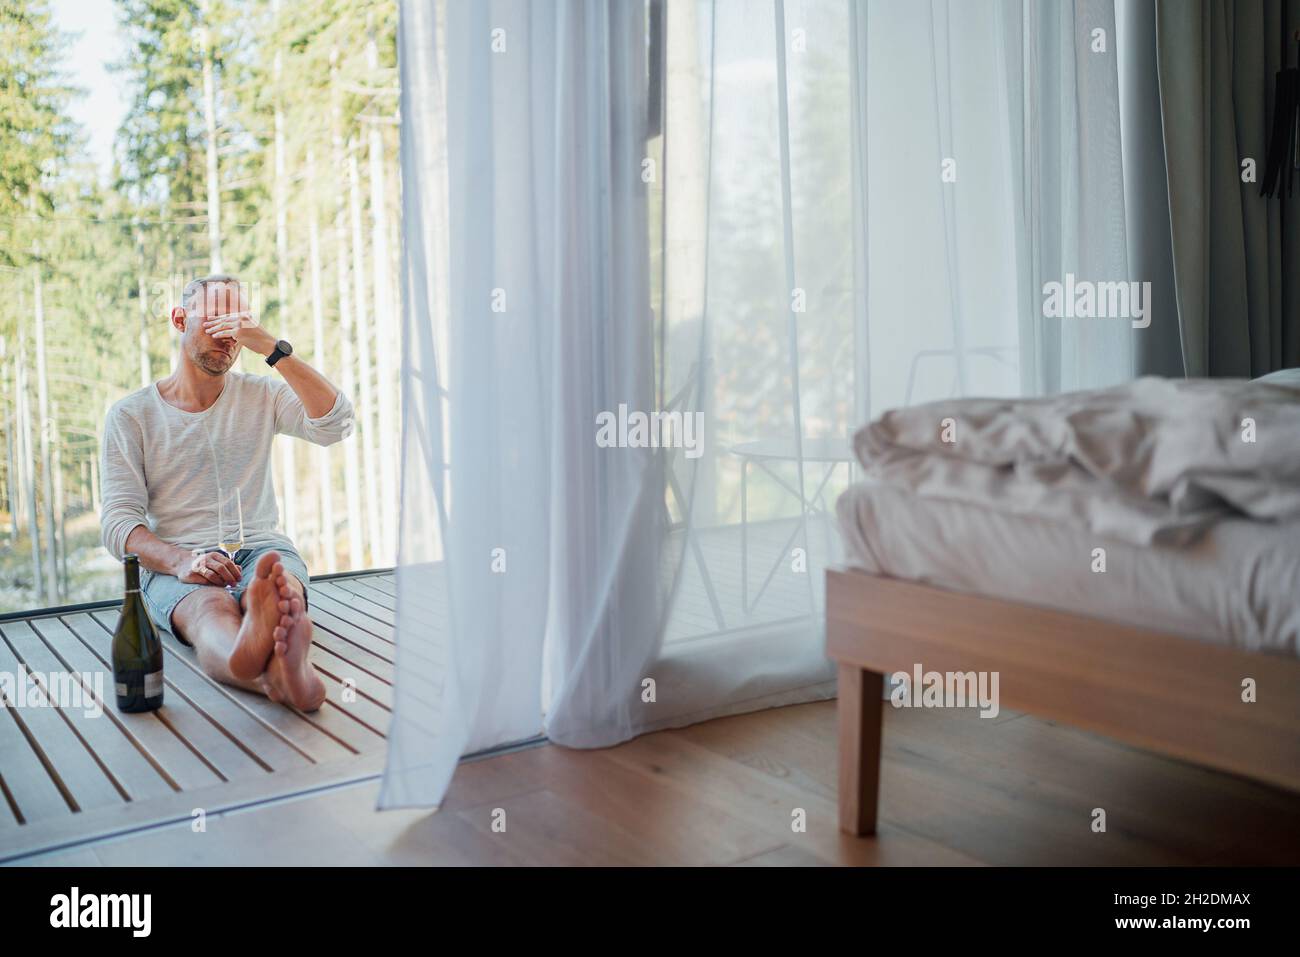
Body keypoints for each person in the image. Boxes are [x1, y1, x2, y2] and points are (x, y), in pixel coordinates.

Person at [100, 274, 354, 711]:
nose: (228, 334)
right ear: (180, 320)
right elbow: (119, 524)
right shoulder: (132, 415)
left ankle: (269, 638)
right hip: (178, 561)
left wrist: (271, 348)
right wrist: (183, 562)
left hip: (258, 546)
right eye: (215, 319)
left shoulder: (262, 395)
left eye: (238, 322)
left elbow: (336, 424)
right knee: (209, 611)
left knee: (278, 584)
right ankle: (279, 675)